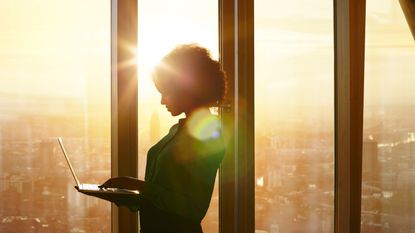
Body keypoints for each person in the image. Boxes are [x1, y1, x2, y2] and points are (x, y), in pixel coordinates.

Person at [100, 44, 227, 233]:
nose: (162, 101)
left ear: (187, 88)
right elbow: (165, 191)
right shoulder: (178, 130)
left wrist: (139, 187)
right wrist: (129, 194)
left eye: (165, 92)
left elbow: (194, 208)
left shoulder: (208, 135)